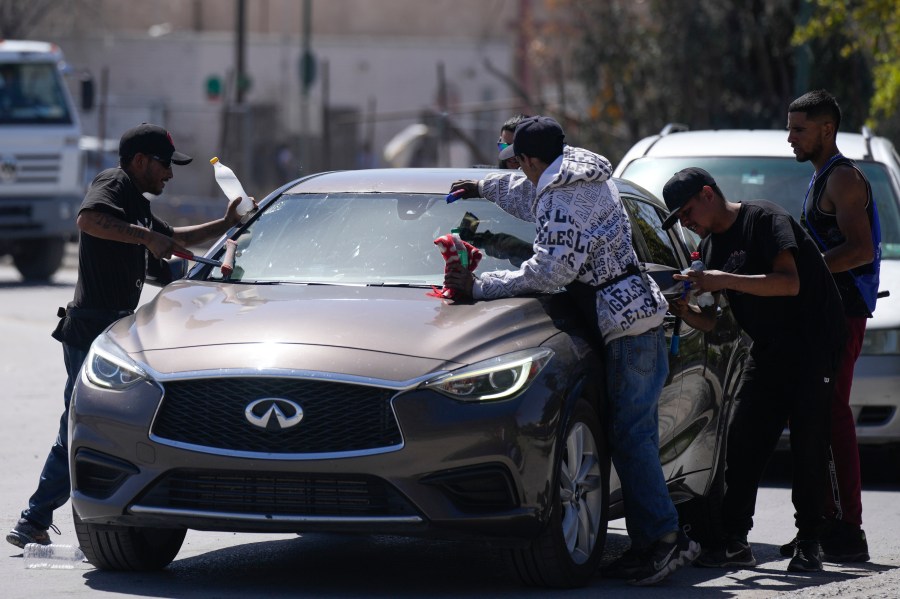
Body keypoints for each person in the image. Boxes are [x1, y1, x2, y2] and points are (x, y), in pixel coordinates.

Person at [445, 115, 699, 586]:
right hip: (636, 316)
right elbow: (526, 194)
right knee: (632, 436)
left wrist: (478, 286)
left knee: (631, 438)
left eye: (519, 162)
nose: (519, 172)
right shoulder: (580, 173)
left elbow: (551, 272)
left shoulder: (562, 198)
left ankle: (666, 540)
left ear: (528, 159)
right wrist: (481, 187)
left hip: (628, 327)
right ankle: (652, 542)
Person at [6, 123, 253, 549]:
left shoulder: (136, 204)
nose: (169, 174)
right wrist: (145, 237)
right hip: (90, 328)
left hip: (116, 332)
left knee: (103, 424)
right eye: (164, 165)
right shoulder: (113, 183)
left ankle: (49, 515)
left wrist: (227, 225)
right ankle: (34, 519)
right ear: (139, 161)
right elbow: (88, 220)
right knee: (79, 425)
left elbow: (172, 242)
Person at [664, 167, 845, 573]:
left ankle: (810, 540)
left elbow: (789, 283)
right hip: (768, 349)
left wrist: (724, 279)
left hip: (814, 342)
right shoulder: (710, 248)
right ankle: (734, 540)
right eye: (679, 219)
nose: (686, 222)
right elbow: (714, 323)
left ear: (707, 194)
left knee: (808, 441)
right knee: (744, 438)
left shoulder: (764, 219)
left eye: (687, 212)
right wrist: (685, 310)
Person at [782, 89, 879, 563]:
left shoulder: (842, 178)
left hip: (843, 314)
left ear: (827, 129)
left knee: (833, 414)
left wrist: (807, 272)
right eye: (789, 129)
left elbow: (861, 249)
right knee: (815, 415)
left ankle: (848, 529)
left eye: (799, 129)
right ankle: (820, 524)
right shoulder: (821, 176)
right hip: (824, 313)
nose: (790, 138)